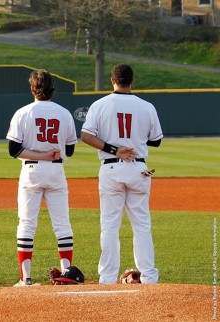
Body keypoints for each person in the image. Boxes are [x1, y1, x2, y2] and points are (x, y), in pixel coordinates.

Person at [80, 63, 163, 284]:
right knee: (142, 225)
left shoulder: (100, 104)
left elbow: (86, 136)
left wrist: (114, 148)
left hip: (111, 167)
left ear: (112, 80)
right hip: (138, 167)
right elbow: (156, 140)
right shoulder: (146, 106)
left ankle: (106, 278)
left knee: (109, 224)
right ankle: (149, 277)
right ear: (132, 81)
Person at [6, 69, 77, 287]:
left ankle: (26, 277)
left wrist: (39, 154)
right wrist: (49, 153)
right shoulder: (64, 113)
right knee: (62, 223)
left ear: (32, 89)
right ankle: (66, 273)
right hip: (56, 171)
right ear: (52, 89)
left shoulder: (23, 112)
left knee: (27, 223)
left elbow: (14, 150)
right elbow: (71, 149)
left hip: (32, 171)